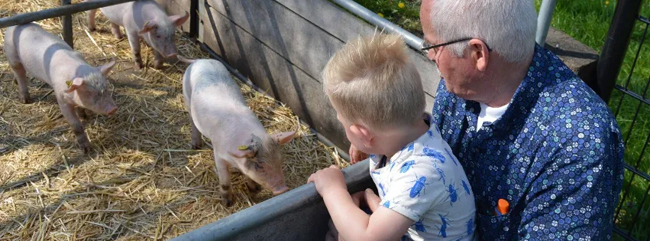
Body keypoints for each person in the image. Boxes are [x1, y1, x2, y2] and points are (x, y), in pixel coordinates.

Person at [350, 0, 625, 239]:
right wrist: (384, 138)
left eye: (433, 45)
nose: (430, 55)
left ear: (478, 53)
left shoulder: (579, 147)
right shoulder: (460, 86)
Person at [308, 33, 476, 241]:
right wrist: (368, 145)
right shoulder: (414, 131)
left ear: (364, 134)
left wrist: (332, 189)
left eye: (344, 124)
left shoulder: (422, 172)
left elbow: (367, 238)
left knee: (343, 233)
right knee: (341, 227)